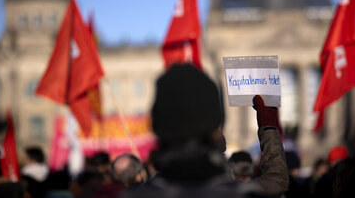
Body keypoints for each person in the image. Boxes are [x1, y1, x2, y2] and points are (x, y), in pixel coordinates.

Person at [121, 64, 289, 198]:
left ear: (157, 127)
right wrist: (268, 126)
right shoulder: (240, 193)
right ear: (214, 130)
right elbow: (276, 182)